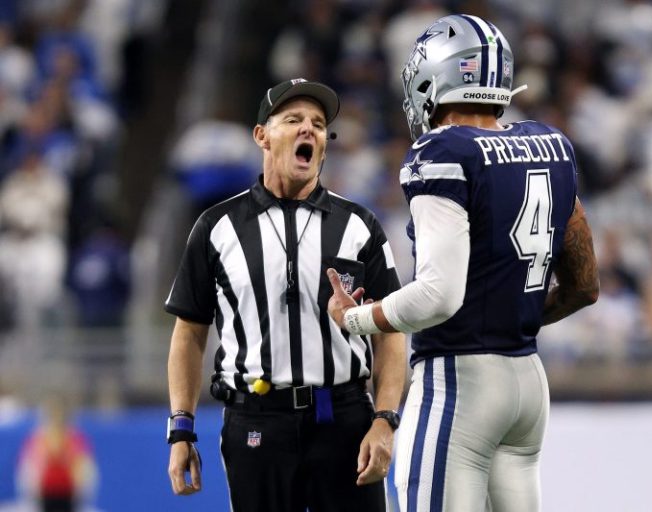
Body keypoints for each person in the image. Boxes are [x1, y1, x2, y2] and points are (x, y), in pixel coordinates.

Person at [327, 14, 599, 512]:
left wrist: (356, 318)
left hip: (461, 383)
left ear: (437, 77)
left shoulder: (442, 150)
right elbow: (584, 285)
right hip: (527, 384)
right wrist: (507, 319)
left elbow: (438, 295)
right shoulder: (551, 145)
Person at [165, 78, 407, 511]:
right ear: (262, 135)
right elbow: (189, 331)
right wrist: (181, 428)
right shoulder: (217, 227)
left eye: (318, 124)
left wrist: (385, 419)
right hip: (256, 420)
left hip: (344, 418)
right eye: (293, 119)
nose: (308, 129)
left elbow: (390, 332)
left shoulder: (359, 226)